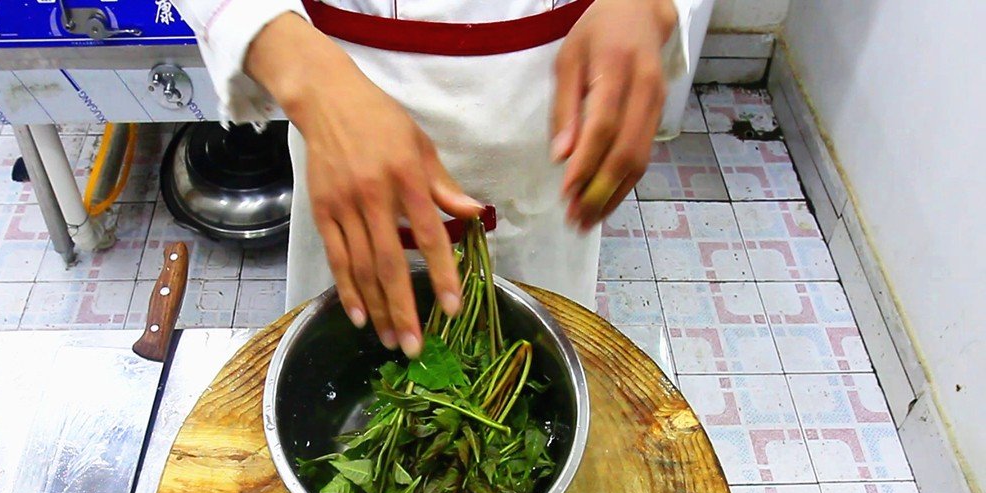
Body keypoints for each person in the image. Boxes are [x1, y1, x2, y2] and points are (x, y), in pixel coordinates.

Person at [174, 0, 700, 358]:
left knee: (536, 351)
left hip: (552, 106)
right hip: (341, 90)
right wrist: (298, 68)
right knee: (342, 342)